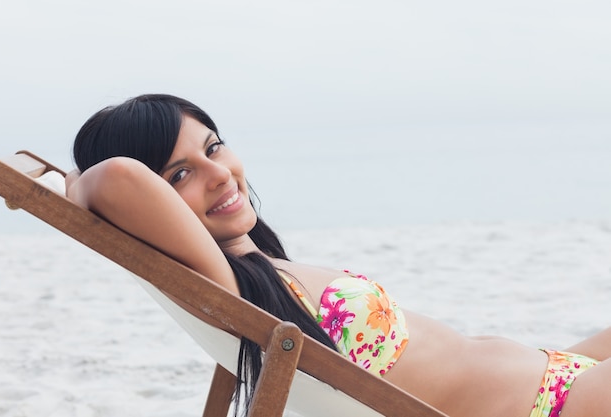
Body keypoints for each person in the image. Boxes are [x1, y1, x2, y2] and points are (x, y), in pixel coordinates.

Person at [66, 94, 610, 417]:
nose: (219, 174)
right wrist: (76, 186)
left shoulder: (261, 272)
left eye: (213, 147)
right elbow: (116, 178)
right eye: (179, 175)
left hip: (558, 374)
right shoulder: (223, 287)